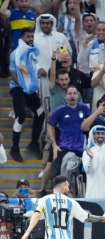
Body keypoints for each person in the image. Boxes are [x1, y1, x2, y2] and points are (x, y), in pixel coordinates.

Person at [9, 28, 45, 163]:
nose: (31, 39)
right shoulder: (15, 54)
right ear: (22, 37)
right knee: (21, 116)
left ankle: (34, 144)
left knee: (40, 113)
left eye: (32, 37)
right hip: (18, 88)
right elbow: (13, 74)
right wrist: (25, 87)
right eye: (28, 37)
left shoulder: (31, 53)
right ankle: (14, 148)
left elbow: (33, 69)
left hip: (30, 89)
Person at [82, 125, 105, 198]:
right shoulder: (87, 152)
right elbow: (87, 170)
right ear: (94, 135)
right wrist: (91, 158)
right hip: (93, 192)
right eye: (98, 133)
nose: (100, 135)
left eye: (102, 134)